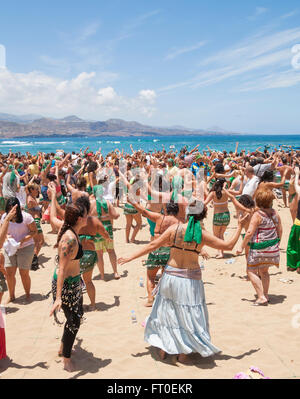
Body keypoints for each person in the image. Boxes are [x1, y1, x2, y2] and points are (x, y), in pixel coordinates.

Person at [119, 200, 246, 364]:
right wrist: (240, 227)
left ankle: (165, 348)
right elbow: (228, 245)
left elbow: (153, 245)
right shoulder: (202, 234)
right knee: (189, 315)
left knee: (166, 312)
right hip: (190, 278)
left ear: (188, 213)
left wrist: (130, 257)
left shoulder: (175, 229)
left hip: (171, 275)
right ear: (204, 215)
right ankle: (183, 353)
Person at [49, 203, 88, 372]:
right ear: (79, 219)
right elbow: (62, 269)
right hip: (66, 285)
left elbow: (51, 217)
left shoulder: (68, 229)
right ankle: (66, 360)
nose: (88, 217)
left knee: (77, 315)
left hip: (74, 282)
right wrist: (58, 297)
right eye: (86, 215)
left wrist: (52, 197)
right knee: (74, 321)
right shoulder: (70, 239)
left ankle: (63, 347)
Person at [237, 190, 282, 306]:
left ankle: (261, 297)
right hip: (272, 247)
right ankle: (266, 295)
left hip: (259, 248)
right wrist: (278, 242)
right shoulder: (275, 213)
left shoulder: (258, 215)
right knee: (265, 271)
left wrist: (241, 247)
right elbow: (280, 230)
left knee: (251, 270)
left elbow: (249, 232)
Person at [1, 198, 37, 303]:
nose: (12, 211)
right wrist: (7, 237)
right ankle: (11, 296)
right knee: (9, 273)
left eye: (14, 209)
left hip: (26, 247)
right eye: (9, 209)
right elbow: (2, 231)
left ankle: (27, 295)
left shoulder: (26, 217)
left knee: (23, 273)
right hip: (10, 247)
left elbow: (34, 231)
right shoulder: (5, 217)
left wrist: (23, 240)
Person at [204, 178, 230, 259]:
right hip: (226, 215)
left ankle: (220, 252)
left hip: (217, 216)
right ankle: (221, 252)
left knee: (216, 236)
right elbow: (239, 192)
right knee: (221, 234)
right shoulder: (226, 192)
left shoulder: (213, 193)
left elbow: (205, 203)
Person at [287, 167, 300, 272]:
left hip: (298, 223)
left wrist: (296, 175)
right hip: (297, 222)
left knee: (293, 244)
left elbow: (295, 185)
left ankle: (294, 264)